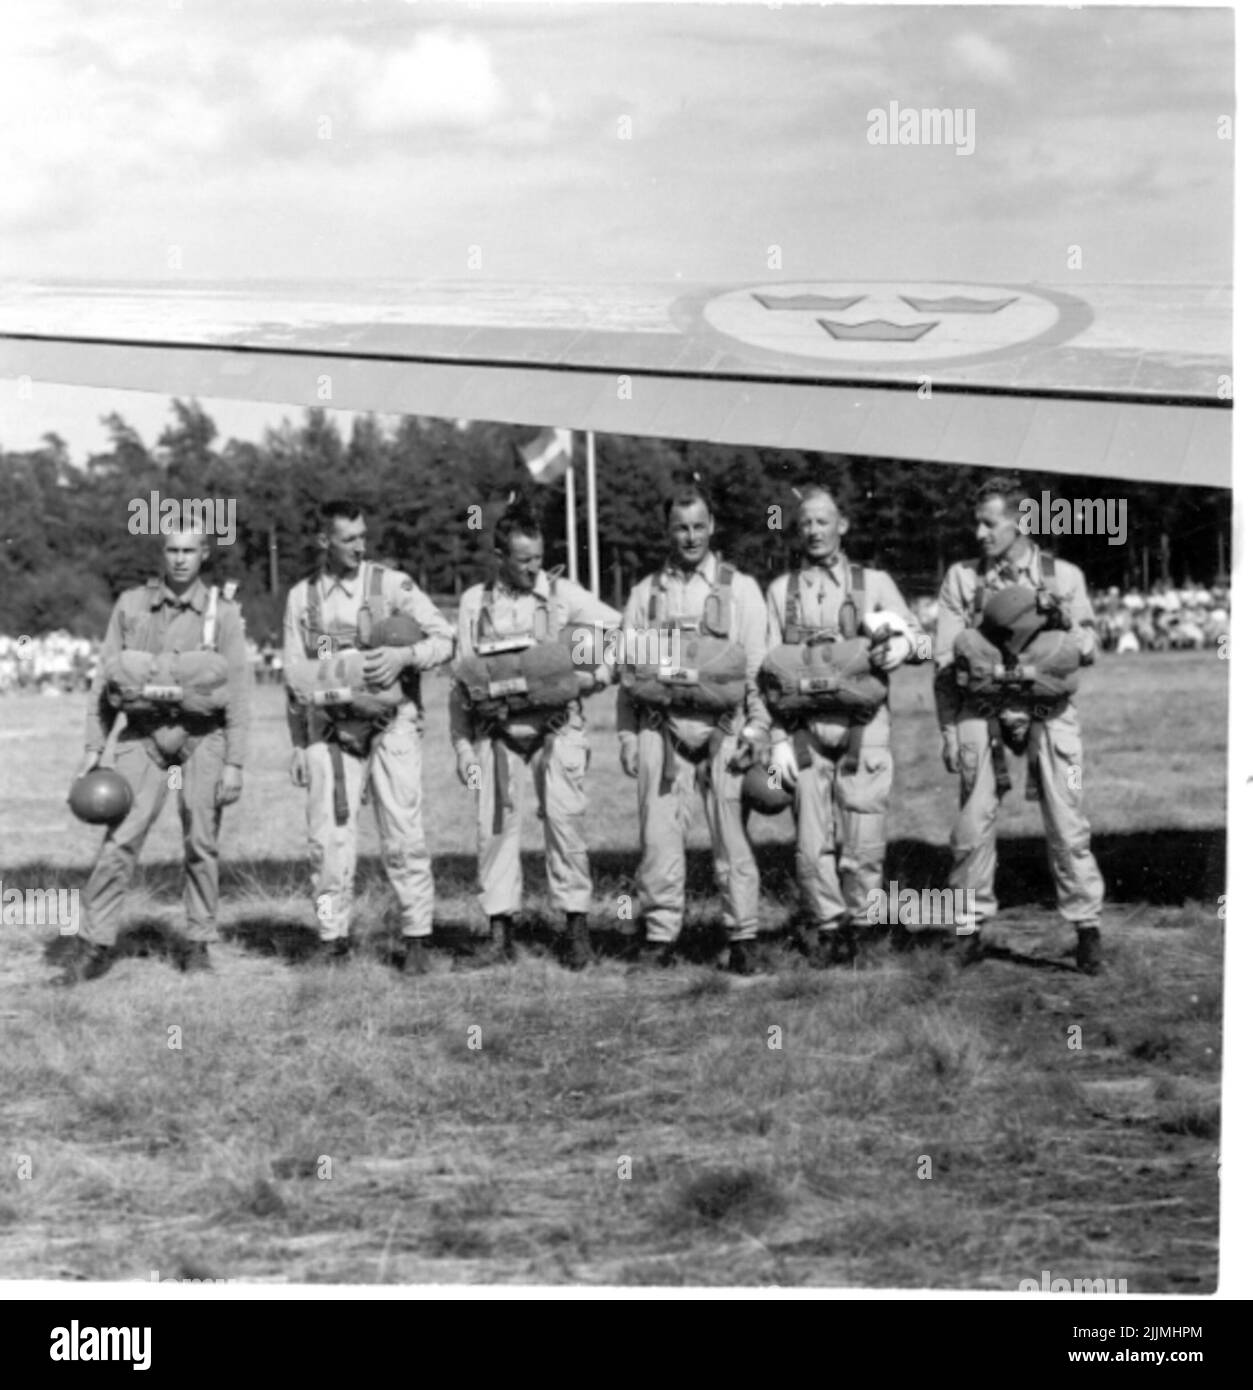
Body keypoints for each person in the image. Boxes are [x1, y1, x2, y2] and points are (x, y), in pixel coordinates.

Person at [62, 527, 249, 984]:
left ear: (204, 555)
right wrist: (93, 748)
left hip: (202, 738)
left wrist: (235, 763)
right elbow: (103, 685)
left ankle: (199, 941)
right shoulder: (130, 606)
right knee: (120, 841)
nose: (181, 559)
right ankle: (94, 943)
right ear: (162, 554)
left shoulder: (222, 615)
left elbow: (239, 694)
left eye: (190, 551)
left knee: (201, 844)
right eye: (173, 550)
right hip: (141, 737)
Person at [934, 475, 1105, 972]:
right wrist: (948, 730)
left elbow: (1088, 648)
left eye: (989, 523)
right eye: (976, 523)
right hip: (980, 710)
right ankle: (967, 928)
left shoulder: (1063, 576)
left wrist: (1057, 623)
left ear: (1022, 521)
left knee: (1068, 819)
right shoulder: (961, 580)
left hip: (1048, 711)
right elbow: (945, 665)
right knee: (971, 822)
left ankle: (1087, 926)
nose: (979, 534)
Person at [283, 500, 454, 972]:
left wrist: (405, 657)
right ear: (324, 541)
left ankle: (418, 938)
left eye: (363, 536)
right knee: (327, 842)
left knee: (404, 835)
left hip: (391, 725)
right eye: (349, 538)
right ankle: (331, 938)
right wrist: (298, 743)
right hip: (330, 732)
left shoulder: (392, 584)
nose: (360, 545)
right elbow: (293, 676)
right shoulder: (302, 598)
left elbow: (446, 638)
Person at [450, 496, 620, 969]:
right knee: (494, 831)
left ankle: (576, 931)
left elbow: (619, 628)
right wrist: (463, 751)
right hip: (495, 738)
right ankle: (500, 935)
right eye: (522, 561)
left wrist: (594, 675)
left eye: (538, 560)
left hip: (556, 732)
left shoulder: (563, 595)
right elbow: (460, 682)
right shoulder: (473, 603)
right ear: (499, 556)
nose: (533, 570)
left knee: (566, 826)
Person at [761, 483, 927, 966]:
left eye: (822, 520)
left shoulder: (873, 584)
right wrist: (776, 741)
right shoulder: (780, 592)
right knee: (811, 845)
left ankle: (866, 925)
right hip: (803, 732)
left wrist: (903, 645)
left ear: (842, 524)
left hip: (864, 727)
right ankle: (828, 926)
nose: (813, 530)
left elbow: (917, 636)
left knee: (864, 839)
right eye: (805, 522)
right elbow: (766, 673)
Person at [616, 480, 770, 974]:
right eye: (680, 528)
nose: (690, 538)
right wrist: (625, 735)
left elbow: (756, 673)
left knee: (732, 840)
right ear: (667, 531)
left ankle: (743, 936)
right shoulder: (645, 595)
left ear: (712, 527)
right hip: (660, 731)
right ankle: (660, 937)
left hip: (723, 730)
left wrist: (757, 731)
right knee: (658, 840)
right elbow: (627, 674)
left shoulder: (741, 590)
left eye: (699, 527)